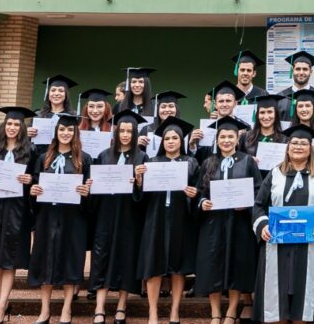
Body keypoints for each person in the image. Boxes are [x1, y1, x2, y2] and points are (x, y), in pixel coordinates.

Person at [252, 123, 314, 323]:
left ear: (311, 148)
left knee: (303, 296)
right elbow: (259, 205)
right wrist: (263, 226)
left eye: (303, 143)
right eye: (294, 143)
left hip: (309, 245)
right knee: (277, 298)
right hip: (276, 244)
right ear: (287, 147)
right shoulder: (275, 174)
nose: (298, 147)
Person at [195, 115, 263, 324]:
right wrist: (202, 202)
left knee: (236, 266)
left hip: (239, 222)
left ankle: (232, 311)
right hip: (213, 223)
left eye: (230, 137)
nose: (226, 140)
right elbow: (200, 191)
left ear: (237, 139)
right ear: (217, 140)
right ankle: (216, 313)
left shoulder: (247, 161)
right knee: (211, 266)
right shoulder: (208, 162)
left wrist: (247, 203)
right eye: (222, 136)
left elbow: (258, 191)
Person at [28, 112, 93, 324]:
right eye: (62, 129)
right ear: (56, 132)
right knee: (45, 261)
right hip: (47, 217)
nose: (65, 133)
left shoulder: (84, 159)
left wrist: (86, 193)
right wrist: (34, 190)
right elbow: (34, 187)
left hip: (73, 219)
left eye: (69, 130)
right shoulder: (43, 158)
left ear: (75, 133)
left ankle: (66, 309)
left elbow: (91, 193)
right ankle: (44, 310)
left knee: (70, 261)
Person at [137, 116, 200, 324]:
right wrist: (139, 181)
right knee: (153, 265)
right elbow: (141, 198)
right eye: (167, 139)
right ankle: (153, 312)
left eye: (175, 138)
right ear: (162, 142)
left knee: (178, 265)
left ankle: (175, 311)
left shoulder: (191, 163)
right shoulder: (152, 163)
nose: (171, 141)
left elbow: (199, 191)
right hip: (156, 218)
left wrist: (195, 194)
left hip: (181, 218)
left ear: (181, 141)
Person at [0, 107, 37, 324]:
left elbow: (37, 178)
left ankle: (1, 306)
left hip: (18, 209)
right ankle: (1, 301)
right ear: (4, 127)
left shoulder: (31, 152)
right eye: (9, 124)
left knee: (10, 258)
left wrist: (30, 180)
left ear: (22, 128)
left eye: (16, 125)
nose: (12, 128)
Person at [90, 110, 149, 324]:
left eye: (129, 131)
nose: (125, 135)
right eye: (122, 130)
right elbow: (95, 188)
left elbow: (145, 196)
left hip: (128, 215)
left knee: (126, 257)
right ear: (116, 132)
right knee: (101, 258)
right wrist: (91, 186)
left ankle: (122, 306)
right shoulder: (104, 155)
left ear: (134, 134)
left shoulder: (142, 157)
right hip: (105, 214)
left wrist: (140, 182)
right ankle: (99, 307)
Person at [245, 95, 289, 159]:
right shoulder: (246, 138)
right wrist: (248, 160)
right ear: (257, 115)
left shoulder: (285, 139)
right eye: (262, 112)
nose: (266, 117)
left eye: (270, 112)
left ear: (276, 114)